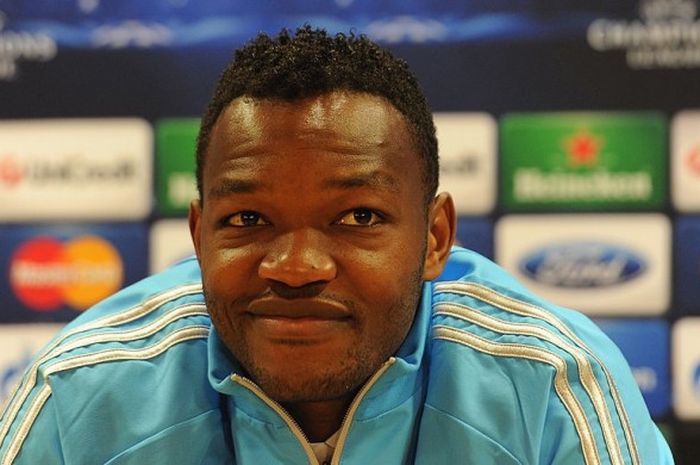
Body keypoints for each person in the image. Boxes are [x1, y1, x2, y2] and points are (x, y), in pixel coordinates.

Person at [0, 26, 673, 465]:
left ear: (434, 237)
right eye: (247, 220)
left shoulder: (552, 386)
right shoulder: (77, 395)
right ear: (198, 235)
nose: (295, 267)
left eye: (357, 216)